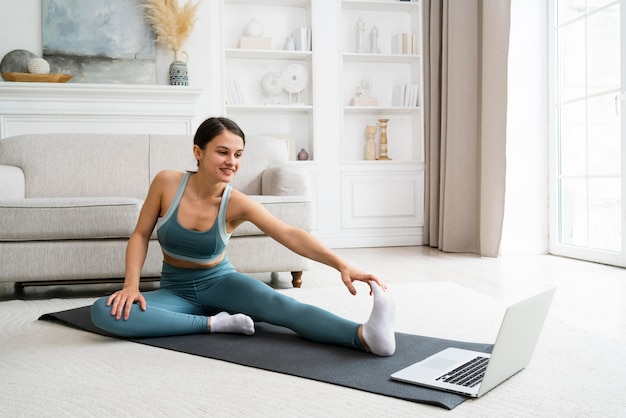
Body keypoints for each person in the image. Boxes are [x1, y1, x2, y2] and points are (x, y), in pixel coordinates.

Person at [90, 116, 396, 356]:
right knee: (103, 312)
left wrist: (342, 264)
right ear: (198, 151)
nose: (231, 162)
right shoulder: (167, 183)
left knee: (283, 307)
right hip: (176, 291)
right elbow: (141, 234)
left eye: (238, 154)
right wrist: (131, 286)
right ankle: (214, 324)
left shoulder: (235, 202)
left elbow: (289, 233)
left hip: (222, 284)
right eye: (222, 152)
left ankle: (364, 336)